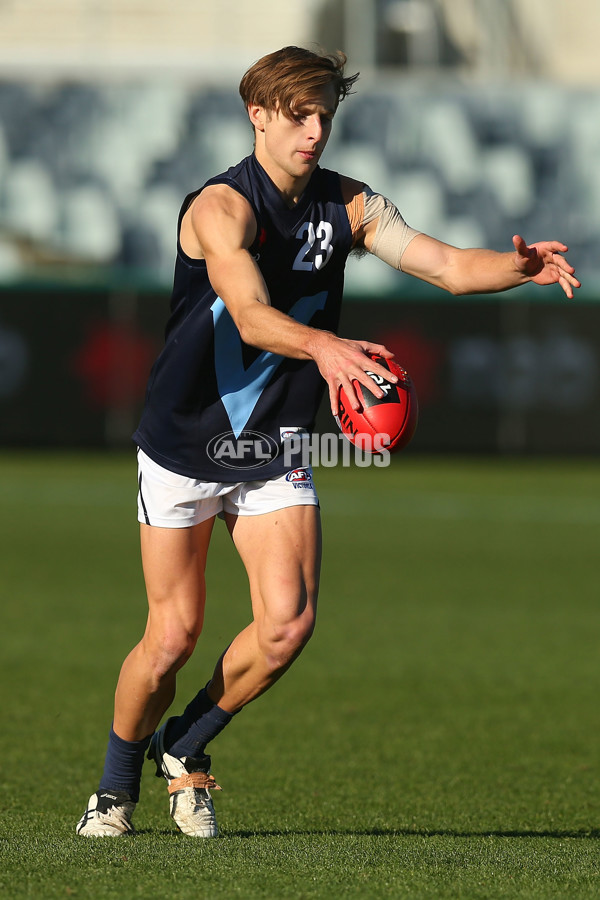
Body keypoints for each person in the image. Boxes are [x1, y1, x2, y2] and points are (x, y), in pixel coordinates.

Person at [76, 45, 580, 838]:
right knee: (170, 638)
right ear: (258, 116)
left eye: (325, 116)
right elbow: (249, 315)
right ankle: (113, 788)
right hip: (185, 441)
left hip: (273, 444)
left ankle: (185, 744)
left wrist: (517, 268)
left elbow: (448, 266)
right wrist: (325, 348)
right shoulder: (218, 208)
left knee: (287, 625)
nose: (315, 131)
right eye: (298, 115)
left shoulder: (350, 205)